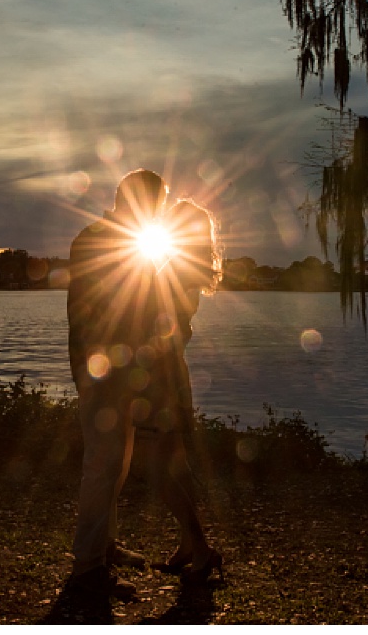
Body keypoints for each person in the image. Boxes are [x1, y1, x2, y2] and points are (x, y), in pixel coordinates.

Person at [66, 169, 168, 599]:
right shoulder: (94, 240)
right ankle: (88, 567)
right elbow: (89, 314)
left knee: (118, 463)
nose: (159, 209)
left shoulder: (134, 243)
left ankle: (104, 547)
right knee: (102, 464)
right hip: (101, 370)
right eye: (156, 201)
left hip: (124, 370)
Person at [138, 197, 225, 583]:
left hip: (162, 377)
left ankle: (202, 548)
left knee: (158, 469)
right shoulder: (188, 270)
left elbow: (163, 329)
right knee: (175, 461)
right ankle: (190, 545)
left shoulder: (177, 272)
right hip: (172, 374)